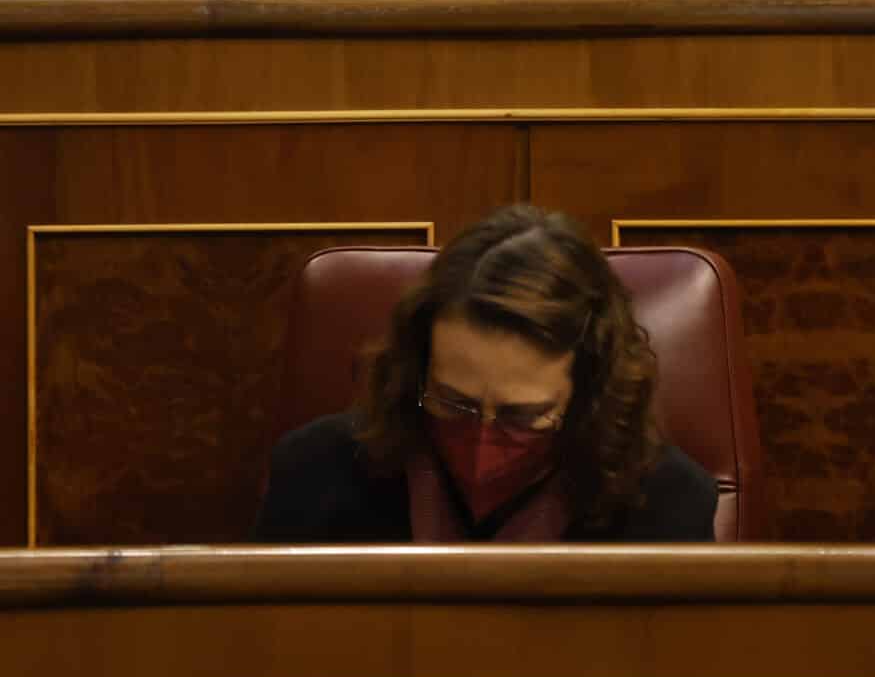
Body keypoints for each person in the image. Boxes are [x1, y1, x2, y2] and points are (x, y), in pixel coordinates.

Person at [253, 205, 717, 542]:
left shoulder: (667, 503)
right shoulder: (314, 473)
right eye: (454, 402)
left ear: (589, 394)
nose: (482, 441)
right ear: (418, 370)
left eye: (523, 415)